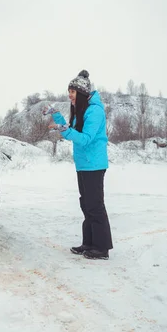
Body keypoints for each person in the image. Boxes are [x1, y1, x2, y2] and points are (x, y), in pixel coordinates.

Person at [43, 70, 113, 260]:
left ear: (81, 93)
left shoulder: (95, 111)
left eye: (72, 91)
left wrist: (62, 130)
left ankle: (101, 248)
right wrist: (57, 116)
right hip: (83, 164)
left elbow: (86, 139)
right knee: (86, 203)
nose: (70, 95)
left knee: (95, 205)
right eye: (69, 91)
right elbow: (72, 130)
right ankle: (89, 243)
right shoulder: (81, 110)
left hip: (94, 164)